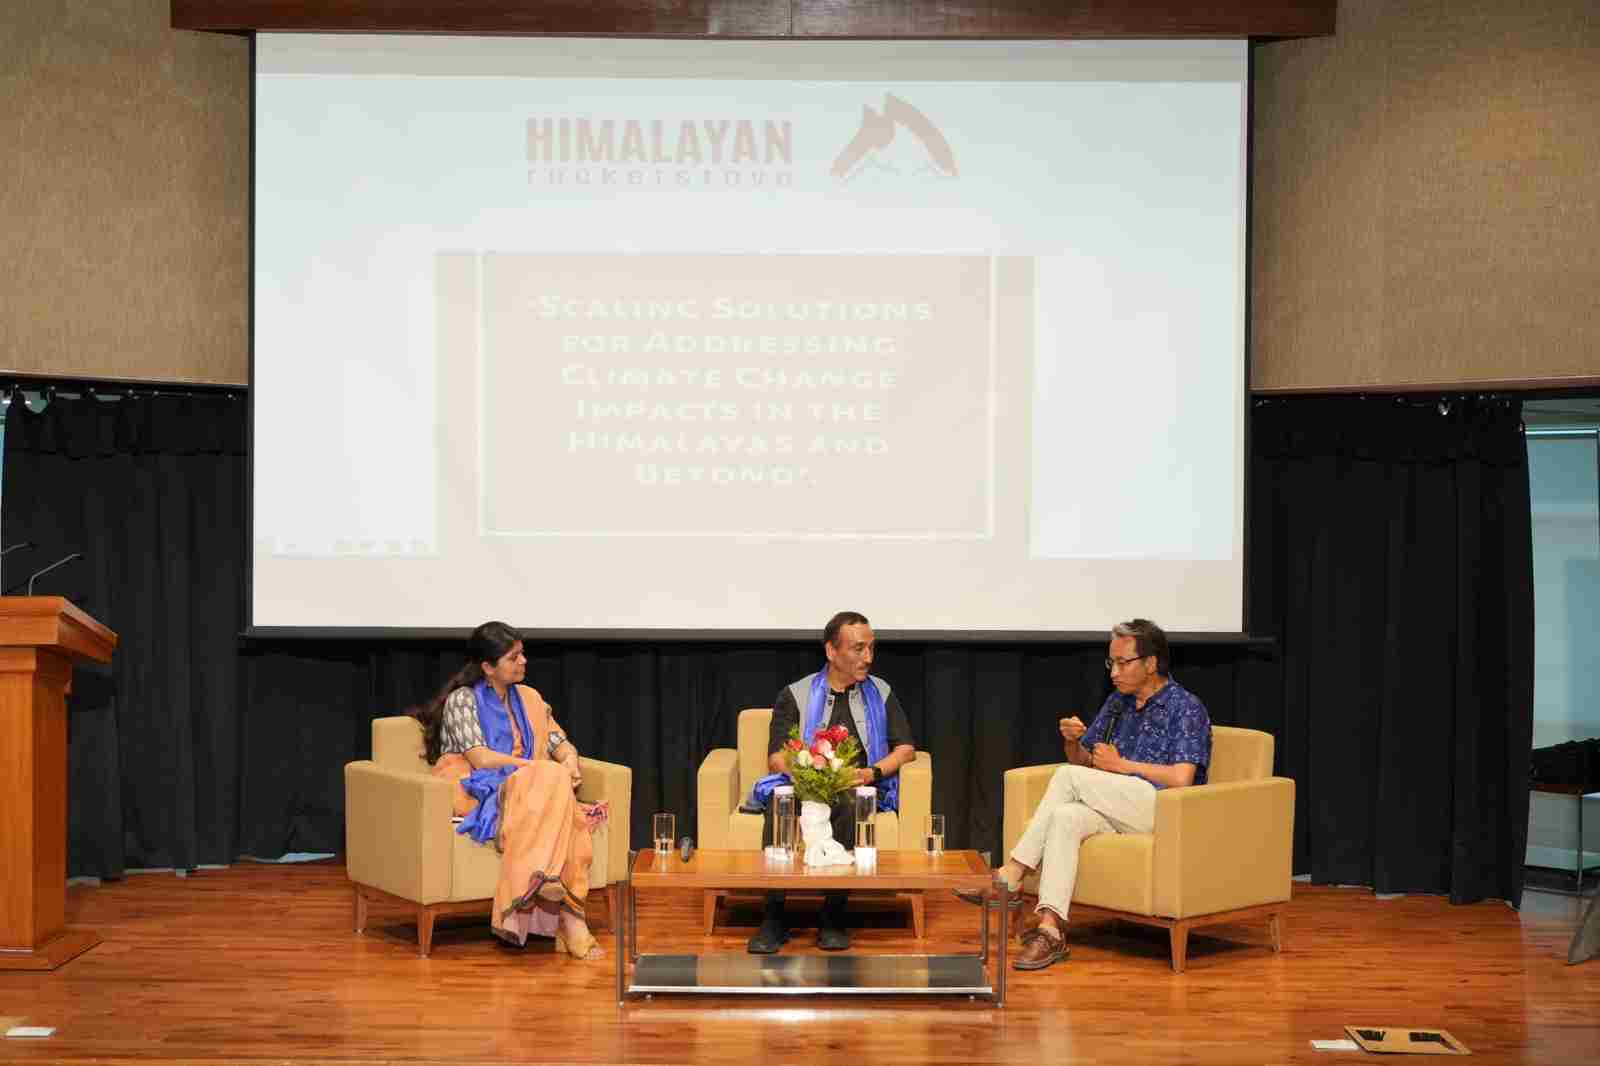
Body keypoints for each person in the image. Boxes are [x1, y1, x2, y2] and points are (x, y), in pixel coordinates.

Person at [962, 619, 1211, 970]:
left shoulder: (1185, 707)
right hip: (1118, 805)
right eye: (1111, 663)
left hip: (1164, 810)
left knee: (1067, 779)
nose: (1114, 672)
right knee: (1066, 817)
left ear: (1151, 664)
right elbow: (1083, 762)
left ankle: (1011, 873)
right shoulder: (1117, 704)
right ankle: (1050, 931)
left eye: (1124, 663)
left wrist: (1123, 765)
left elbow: (1182, 779)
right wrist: (1072, 741)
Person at [414, 621, 607, 959]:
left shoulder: (529, 698)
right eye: (513, 657)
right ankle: (570, 920)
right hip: (478, 787)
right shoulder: (464, 700)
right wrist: (539, 768)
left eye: (522, 654)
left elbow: (559, 742)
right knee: (552, 784)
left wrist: (571, 762)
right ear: (487, 667)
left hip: (533, 786)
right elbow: (480, 757)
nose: (523, 662)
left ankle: (548, 881)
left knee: (555, 782)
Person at [747, 611, 917, 954]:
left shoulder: (881, 692)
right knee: (780, 804)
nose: (867, 658)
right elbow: (777, 756)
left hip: (858, 784)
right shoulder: (795, 694)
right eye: (858, 649)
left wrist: (872, 773)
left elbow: (906, 749)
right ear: (831, 651)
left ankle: (834, 915)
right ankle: (774, 915)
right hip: (806, 782)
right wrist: (809, 777)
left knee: (852, 803)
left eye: (871, 648)